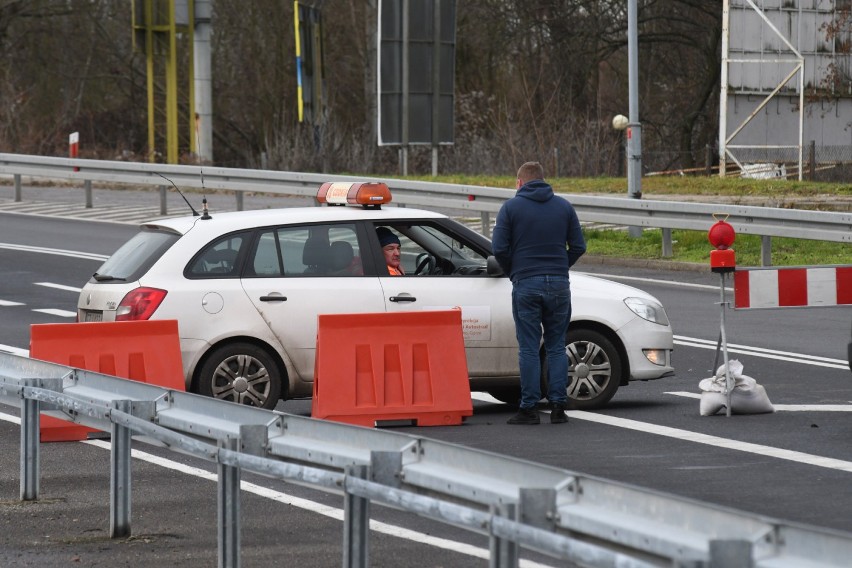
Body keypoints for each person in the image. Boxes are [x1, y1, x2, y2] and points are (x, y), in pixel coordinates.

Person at [491, 161, 586, 425]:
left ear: (519, 182)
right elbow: (578, 246)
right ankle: (558, 408)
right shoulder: (564, 206)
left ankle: (529, 409)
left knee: (530, 348)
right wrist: (559, 267)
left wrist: (515, 271)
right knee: (556, 347)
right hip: (558, 284)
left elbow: (499, 248)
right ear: (543, 181)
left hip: (526, 282)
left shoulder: (510, 208)